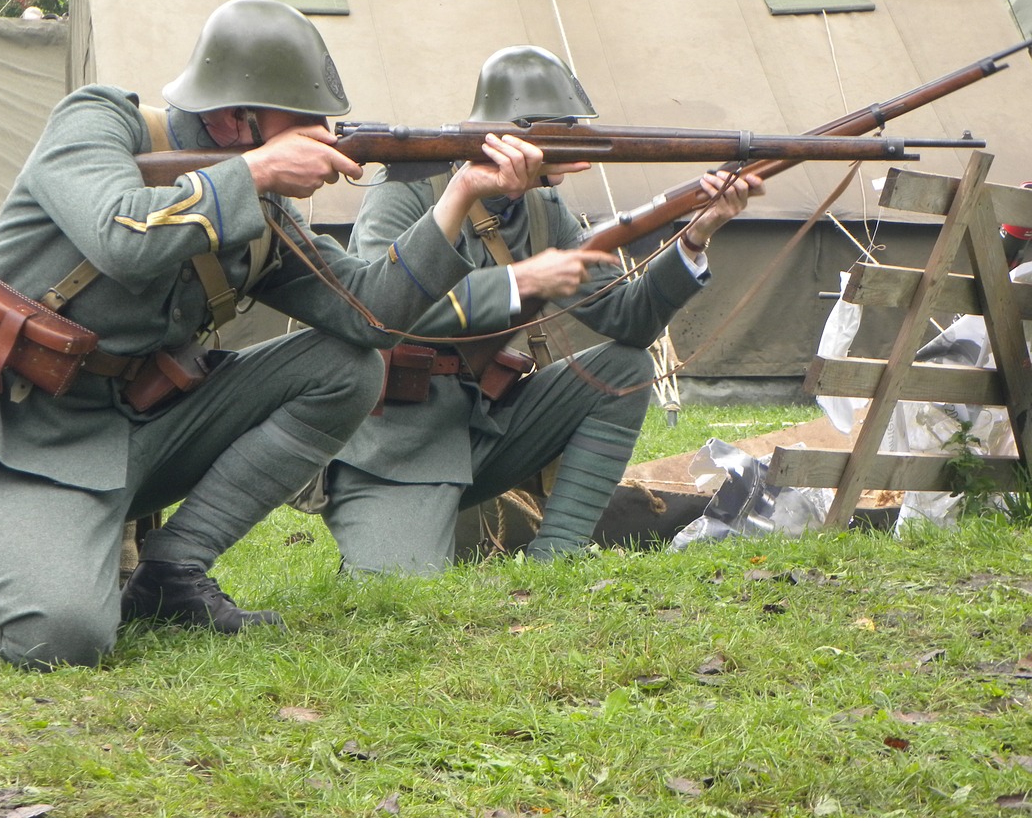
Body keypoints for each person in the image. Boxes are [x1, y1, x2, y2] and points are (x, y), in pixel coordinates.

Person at [0, 0, 584, 669]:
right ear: (233, 117)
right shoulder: (99, 121)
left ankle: (172, 572)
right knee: (62, 642)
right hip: (25, 438)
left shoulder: (263, 211)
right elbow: (120, 238)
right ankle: (19, 564)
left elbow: (371, 316)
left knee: (347, 365)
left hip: (143, 427)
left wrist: (458, 197)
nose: (325, 135)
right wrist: (253, 173)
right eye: (305, 121)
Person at [320, 45, 763, 574]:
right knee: (393, 593)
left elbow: (626, 319)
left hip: (484, 425)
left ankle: (558, 556)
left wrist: (694, 237)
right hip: (397, 446)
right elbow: (380, 311)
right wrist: (515, 281)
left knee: (623, 368)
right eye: (561, 131)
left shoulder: (541, 205)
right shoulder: (409, 188)